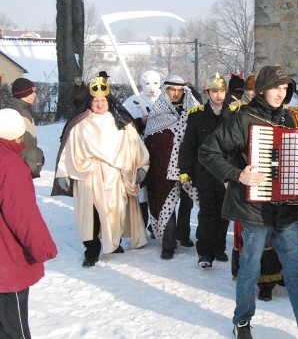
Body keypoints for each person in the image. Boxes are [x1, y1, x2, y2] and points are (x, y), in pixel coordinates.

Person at [199, 65, 298, 339]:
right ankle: (242, 321)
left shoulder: (291, 120)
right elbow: (208, 151)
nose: (280, 94)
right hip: (254, 209)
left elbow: (295, 162)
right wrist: (237, 174)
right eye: (275, 88)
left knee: (296, 272)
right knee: (250, 269)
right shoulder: (243, 119)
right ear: (261, 90)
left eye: (284, 89)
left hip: (286, 212)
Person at [53, 77, 149, 267]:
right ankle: (92, 250)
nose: (99, 104)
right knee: (91, 215)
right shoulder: (79, 124)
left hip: (114, 177)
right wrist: (63, 172)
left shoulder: (122, 122)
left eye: (102, 100)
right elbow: (68, 149)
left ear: (108, 100)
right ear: (90, 102)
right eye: (95, 100)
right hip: (87, 175)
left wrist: (141, 167)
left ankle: (114, 241)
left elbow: (136, 146)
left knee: (115, 211)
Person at [0, 108, 58, 339]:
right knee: (14, 331)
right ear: (17, 136)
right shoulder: (10, 166)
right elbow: (22, 215)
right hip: (6, 265)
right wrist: (44, 248)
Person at [144, 76, 201, 260]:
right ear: (166, 91)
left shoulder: (194, 113)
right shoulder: (157, 114)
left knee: (188, 203)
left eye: (179, 90)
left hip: (187, 167)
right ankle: (168, 244)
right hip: (163, 169)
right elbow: (150, 143)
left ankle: (184, 235)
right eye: (172, 90)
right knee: (166, 204)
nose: (176, 93)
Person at [179, 73, 232, 268]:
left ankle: (220, 248)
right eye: (215, 91)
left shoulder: (233, 114)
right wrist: (186, 171)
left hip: (226, 172)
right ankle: (205, 253)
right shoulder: (197, 115)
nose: (219, 95)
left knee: (224, 213)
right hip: (205, 172)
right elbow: (188, 146)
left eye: (221, 91)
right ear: (207, 93)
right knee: (207, 212)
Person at [123, 70, 163, 228]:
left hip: (161, 154)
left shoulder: (166, 100)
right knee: (142, 192)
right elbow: (124, 125)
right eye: (147, 83)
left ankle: (158, 226)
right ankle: (141, 226)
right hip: (139, 154)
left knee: (159, 191)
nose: (151, 87)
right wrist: (140, 121)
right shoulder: (132, 102)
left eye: (155, 82)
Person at [5, 77, 45, 178]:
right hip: (16, 170)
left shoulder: (25, 111)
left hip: (25, 167)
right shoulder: (13, 114)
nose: (35, 95)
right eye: (32, 92)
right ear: (24, 94)